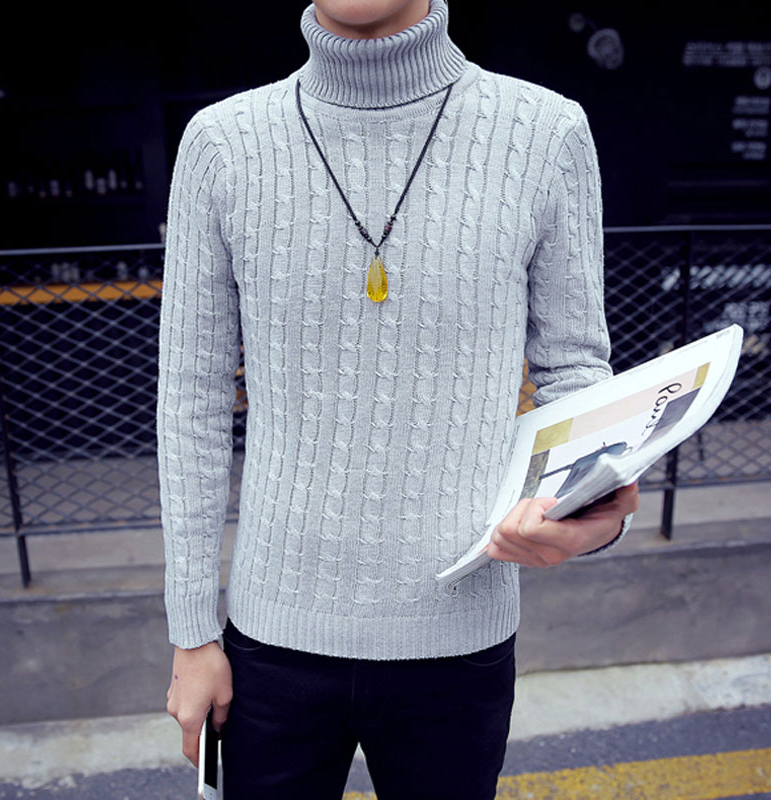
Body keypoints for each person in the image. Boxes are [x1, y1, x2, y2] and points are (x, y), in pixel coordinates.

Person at [156, 1, 640, 798]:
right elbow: (191, 404)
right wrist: (191, 633)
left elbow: (575, 371)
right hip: (269, 642)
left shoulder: (547, 133)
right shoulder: (221, 143)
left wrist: (594, 509)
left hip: (460, 641)